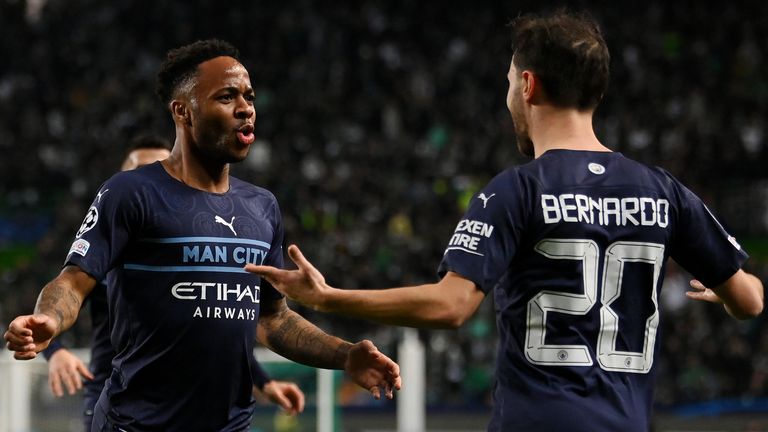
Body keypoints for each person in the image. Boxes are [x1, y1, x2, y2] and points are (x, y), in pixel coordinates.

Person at [245, 10, 764, 432]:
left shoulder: (518, 189)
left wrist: (330, 297)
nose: (509, 95)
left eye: (510, 82)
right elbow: (751, 299)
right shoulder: (662, 190)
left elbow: (450, 306)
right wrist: (724, 290)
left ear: (529, 85)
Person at [4, 39, 399, 431]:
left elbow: (273, 320)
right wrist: (48, 319)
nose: (245, 108)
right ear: (183, 111)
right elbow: (72, 282)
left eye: (248, 96)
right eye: (227, 97)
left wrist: (345, 355)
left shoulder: (261, 207)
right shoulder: (130, 193)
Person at [43, 136, 305, 430]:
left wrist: (264, 383)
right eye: (140, 169)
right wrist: (56, 351)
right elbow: (59, 301)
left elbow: (215, 332)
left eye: (157, 167)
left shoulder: (182, 251)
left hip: (190, 407)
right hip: (118, 399)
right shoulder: (105, 252)